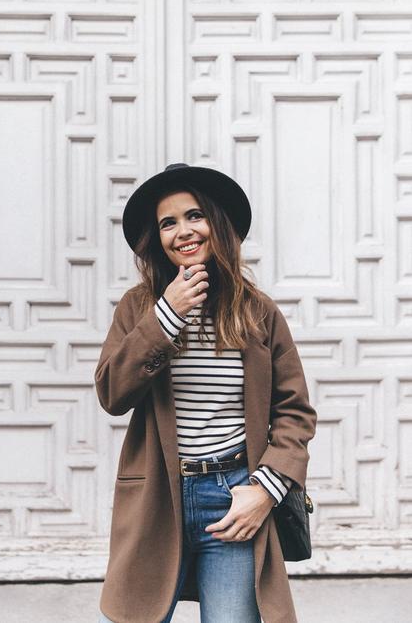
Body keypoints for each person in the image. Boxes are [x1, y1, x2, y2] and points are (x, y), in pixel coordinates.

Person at [95, 163, 317, 623]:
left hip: (234, 498)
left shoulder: (258, 311)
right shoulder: (139, 306)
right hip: (157, 494)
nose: (182, 231)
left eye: (193, 215)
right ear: (157, 238)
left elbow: (295, 412)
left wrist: (265, 491)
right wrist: (167, 316)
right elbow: (113, 393)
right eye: (168, 223)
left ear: (217, 223)